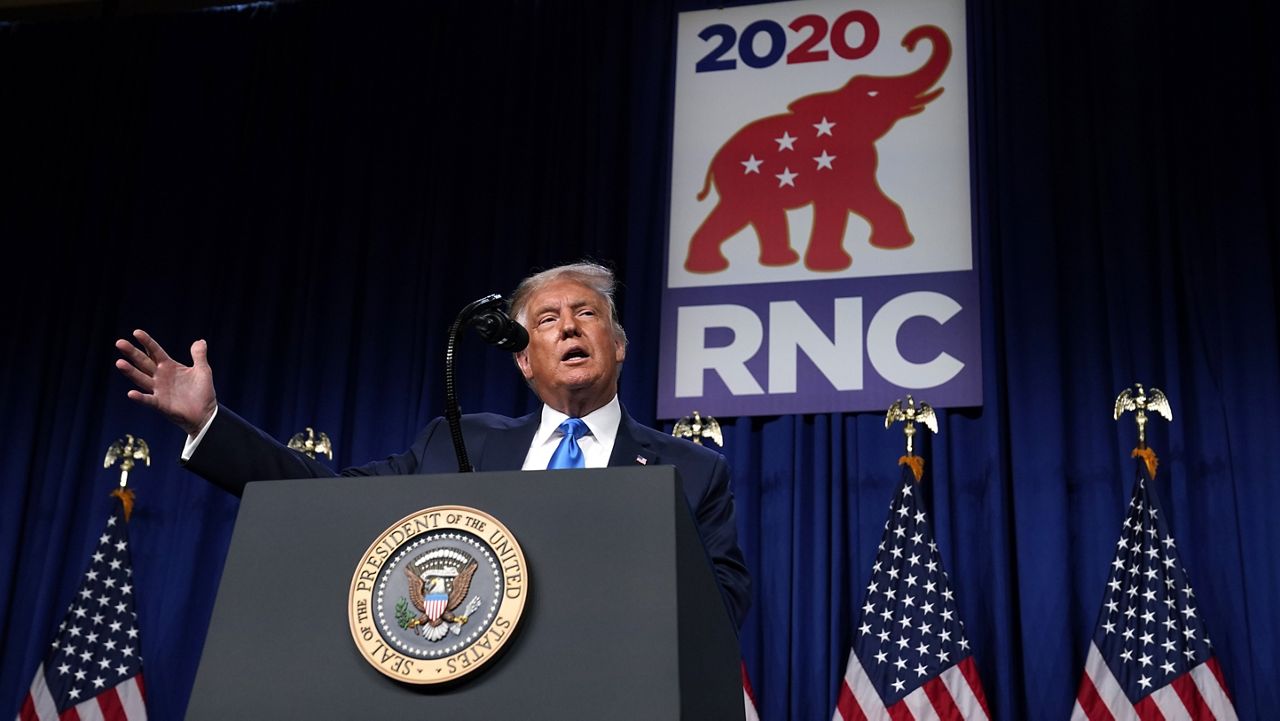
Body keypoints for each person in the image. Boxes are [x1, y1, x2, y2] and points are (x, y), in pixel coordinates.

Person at [115, 261, 750, 627]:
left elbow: (720, 611)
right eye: (548, 322)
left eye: (587, 315)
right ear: (523, 361)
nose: (569, 329)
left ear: (618, 344)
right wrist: (210, 423)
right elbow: (328, 498)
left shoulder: (690, 470)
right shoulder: (456, 442)